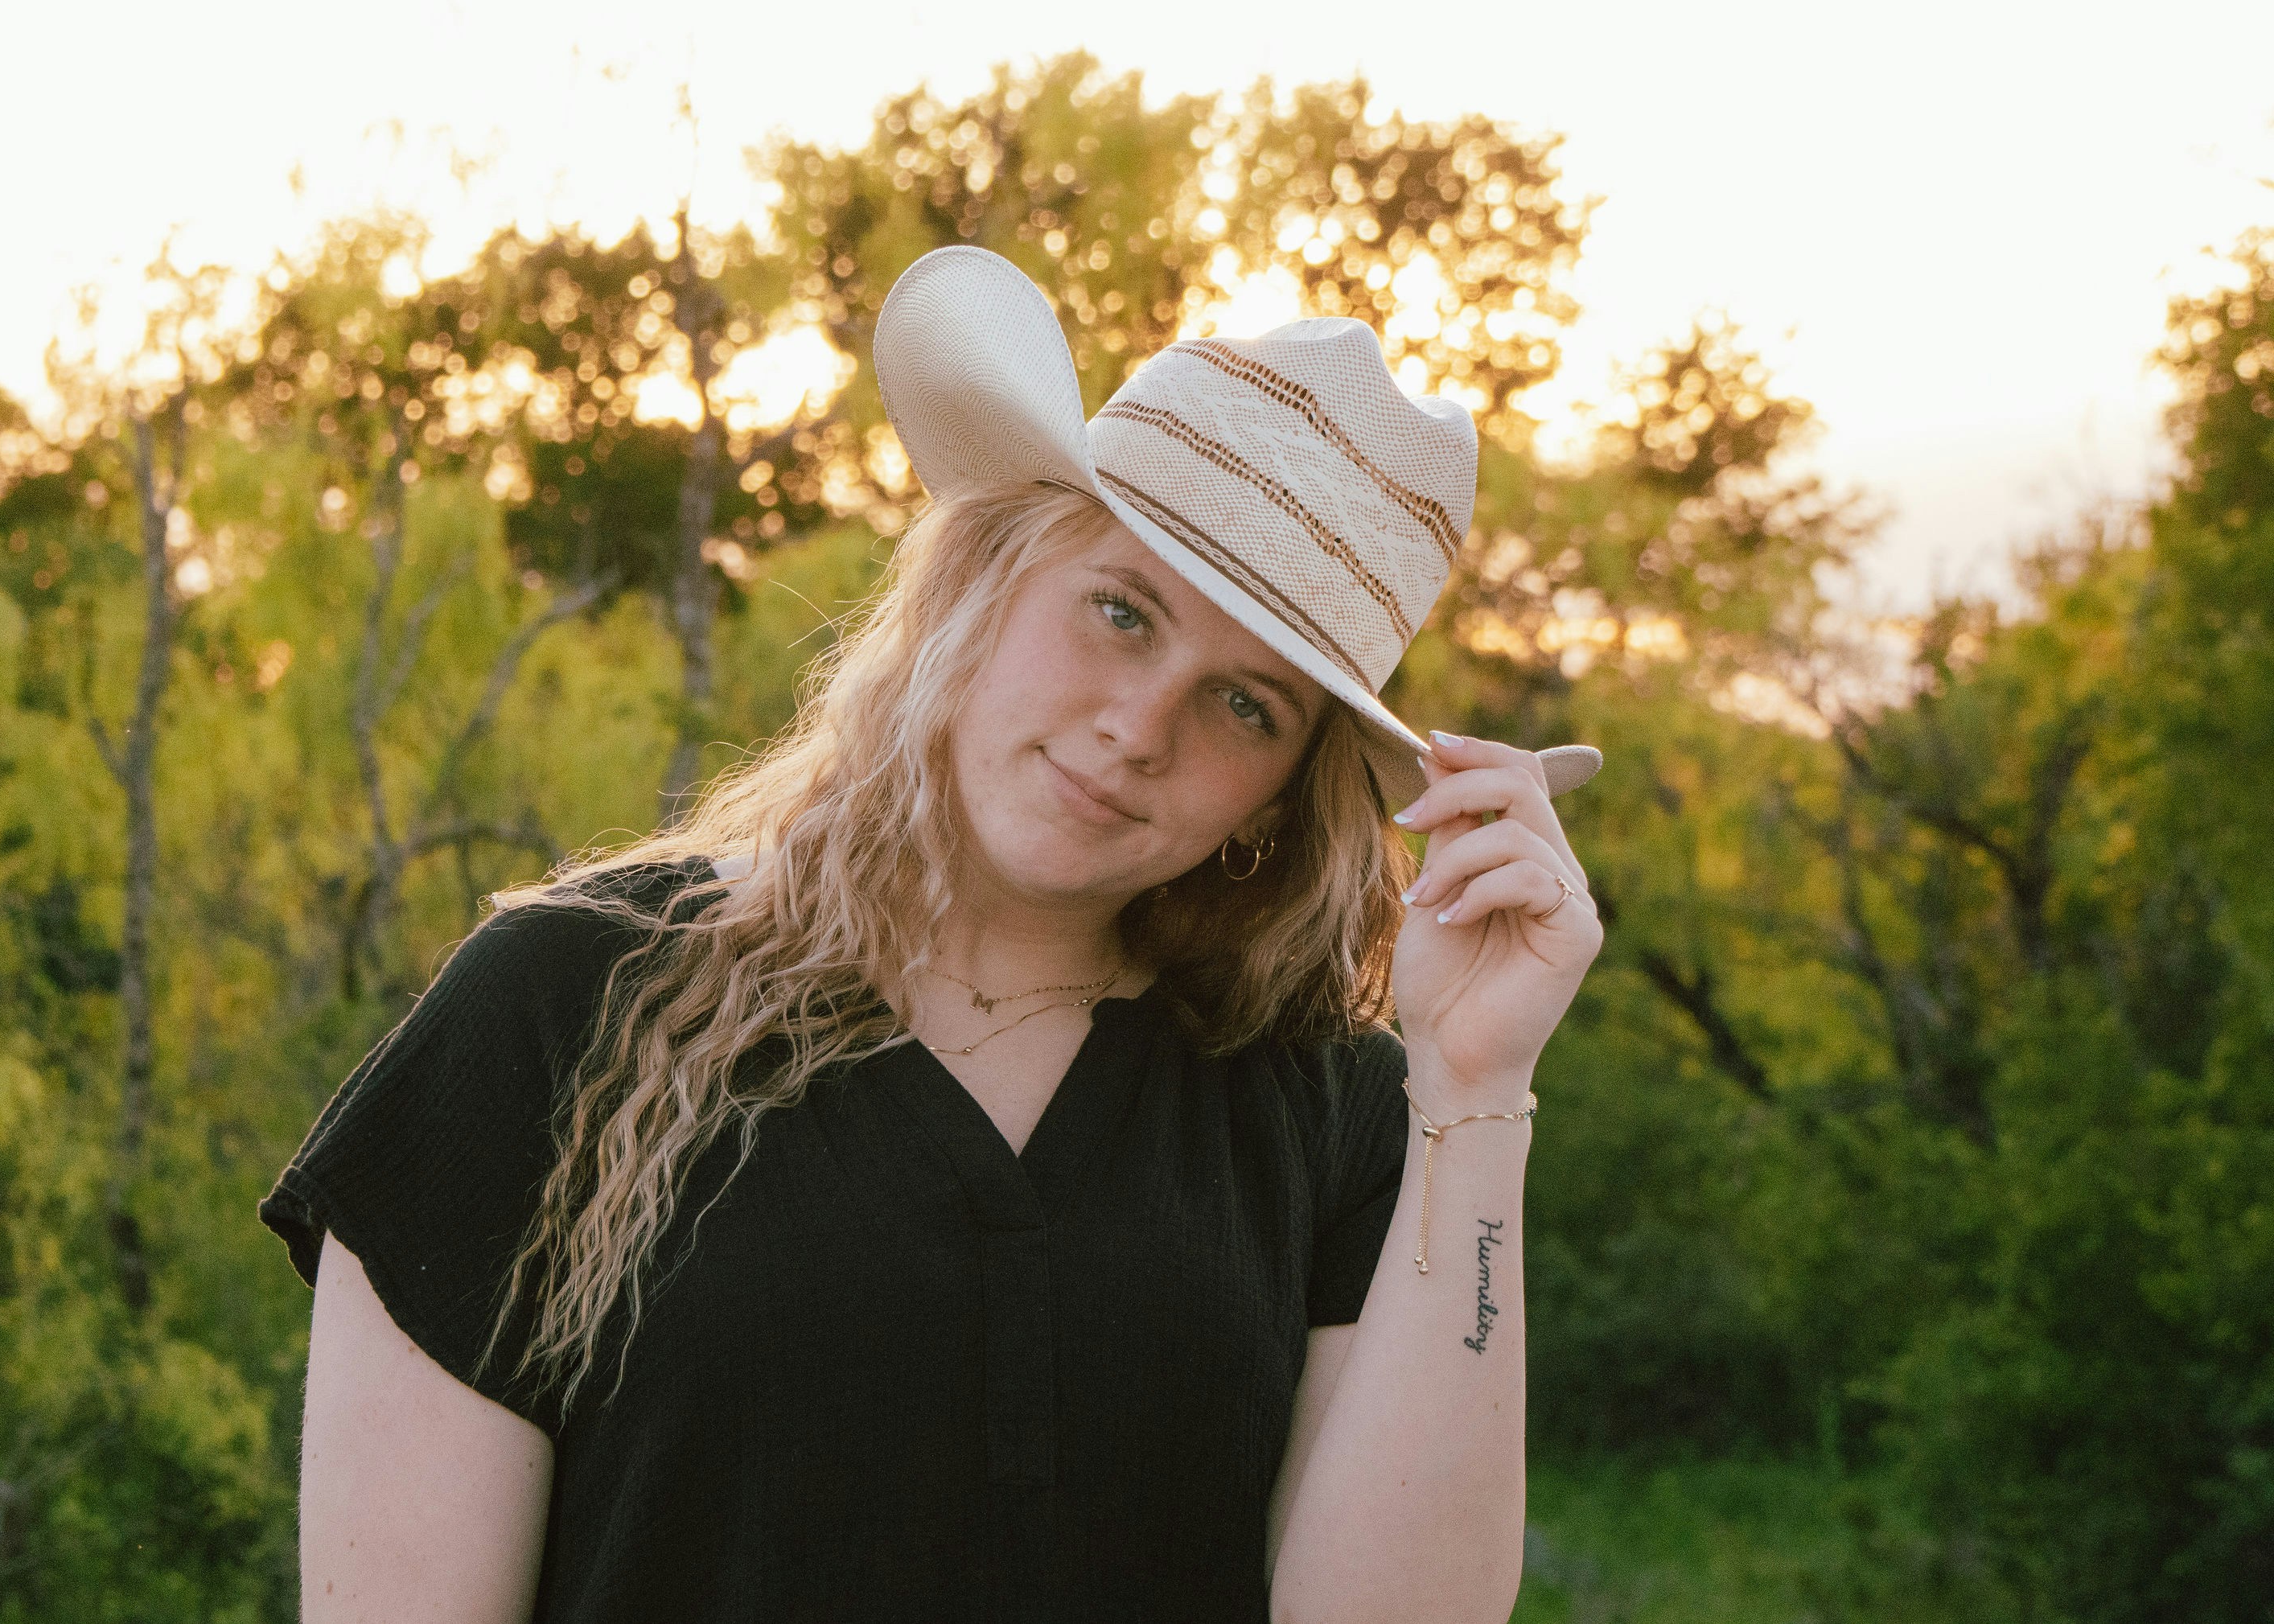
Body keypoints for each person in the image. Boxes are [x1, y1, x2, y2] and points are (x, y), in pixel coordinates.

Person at [261, 245, 1606, 1624]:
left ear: (1278, 794)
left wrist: (1478, 1087)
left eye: (1245, 704)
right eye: (1121, 611)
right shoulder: (562, 1010)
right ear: (987, 573)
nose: (1139, 728)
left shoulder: (1331, 1113)